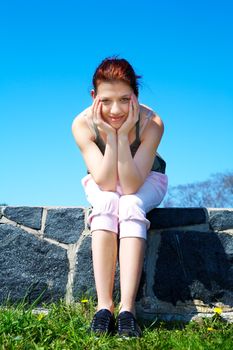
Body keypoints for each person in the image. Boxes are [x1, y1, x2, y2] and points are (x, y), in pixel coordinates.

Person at [72, 56, 168, 337]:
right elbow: (104, 181)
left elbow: (130, 185)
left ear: (135, 97)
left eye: (125, 100)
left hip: (146, 178)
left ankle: (128, 311)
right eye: (107, 100)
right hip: (102, 178)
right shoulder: (81, 124)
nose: (116, 109)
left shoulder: (153, 123)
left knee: (131, 204)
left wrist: (125, 132)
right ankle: (104, 308)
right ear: (94, 97)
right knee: (105, 202)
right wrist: (110, 136)